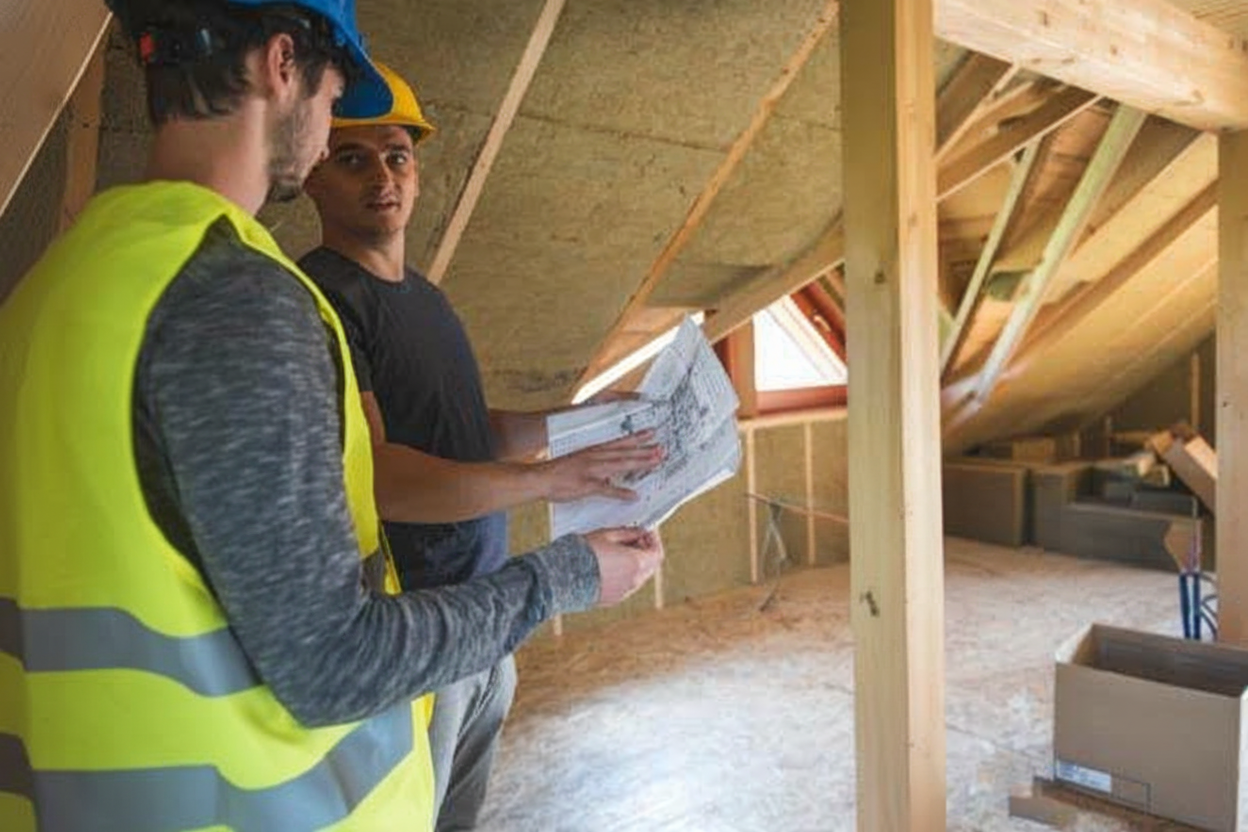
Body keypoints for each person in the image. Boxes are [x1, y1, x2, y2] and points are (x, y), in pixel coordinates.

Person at [0, 2, 664, 830]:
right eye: (335, 94)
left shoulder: (55, 282)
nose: (329, 126)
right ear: (284, 65)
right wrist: (567, 577)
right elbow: (333, 665)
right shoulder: (236, 301)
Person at [299, 63, 663, 831]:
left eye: (397, 155)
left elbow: (476, 434)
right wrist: (547, 483)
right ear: (312, 178)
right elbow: (383, 479)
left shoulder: (424, 298)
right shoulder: (326, 298)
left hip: (486, 613)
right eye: (352, 158)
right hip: (414, 627)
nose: (382, 177)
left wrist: (579, 424)